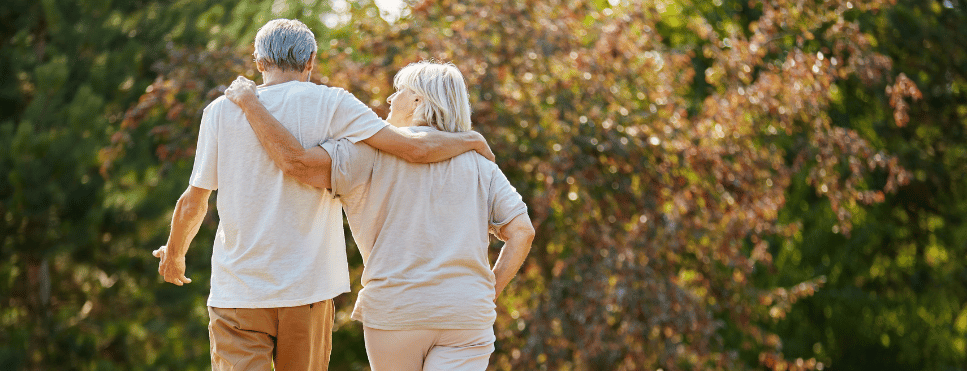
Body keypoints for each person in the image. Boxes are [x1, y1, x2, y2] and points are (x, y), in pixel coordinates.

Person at [152, 19, 493, 371]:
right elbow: (412, 148)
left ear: (258, 62)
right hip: (308, 290)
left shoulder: (221, 110)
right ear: (311, 59)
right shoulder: (333, 104)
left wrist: (175, 252)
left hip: (238, 293)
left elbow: (194, 199)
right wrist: (470, 139)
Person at [223, 61, 535, 371]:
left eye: (398, 91)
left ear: (417, 101)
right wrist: (487, 291)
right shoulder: (481, 163)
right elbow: (522, 231)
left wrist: (251, 104)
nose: (390, 99)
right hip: (465, 313)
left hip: (396, 311)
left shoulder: (367, 153)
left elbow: (299, 163)